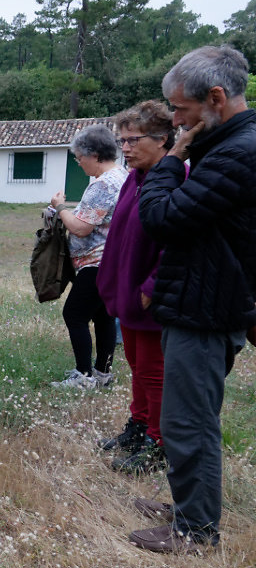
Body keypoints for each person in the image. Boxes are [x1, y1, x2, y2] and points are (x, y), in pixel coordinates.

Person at [131, 45, 256, 554]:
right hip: (204, 296)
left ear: (217, 98)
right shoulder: (228, 147)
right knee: (188, 414)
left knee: (188, 420)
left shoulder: (237, 153)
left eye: (180, 109)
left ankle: (196, 531)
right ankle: (189, 505)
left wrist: (173, 158)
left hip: (207, 307)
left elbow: (162, 218)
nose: (175, 120)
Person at [95, 101, 175, 474]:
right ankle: (139, 426)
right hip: (127, 291)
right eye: (121, 140)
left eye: (133, 139)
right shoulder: (133, 177)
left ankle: (157, 443)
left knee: (154, 371)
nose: (124, 147)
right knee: (137, 367)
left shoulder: (176, 178)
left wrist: (153, 284)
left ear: (163, 140)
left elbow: (178, 240)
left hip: (150, 294)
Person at [48, 125, 128, 389]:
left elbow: (81, 227)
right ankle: (103, 373)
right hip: (114, 260)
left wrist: (59, 208)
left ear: (93, 154)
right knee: (104, 316)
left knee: (74, 314)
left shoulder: (103, 184)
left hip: (97, 262)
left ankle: (83, 377)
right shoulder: (122, 176)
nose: (78, 162)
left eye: (79, 156)